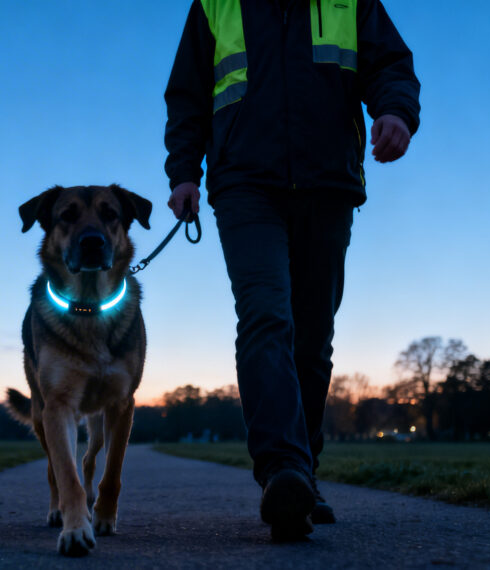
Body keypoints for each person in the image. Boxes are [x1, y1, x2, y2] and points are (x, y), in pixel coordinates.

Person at [164, 0, 419, 540]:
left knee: (312, 338)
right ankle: (281, 470)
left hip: (328, 184)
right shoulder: (215, 4)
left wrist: (395, 111)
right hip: (244, 185)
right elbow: (187, 94)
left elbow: (390, 63)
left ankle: (303, 473)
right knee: (265, 316)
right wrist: (184, 173)